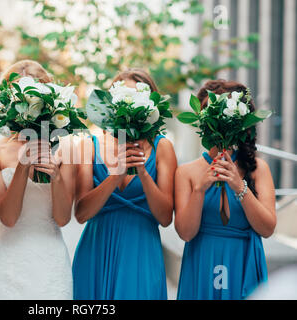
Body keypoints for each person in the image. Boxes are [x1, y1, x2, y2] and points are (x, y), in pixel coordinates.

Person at [72, 69, 177, 299]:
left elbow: (165, 218)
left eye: (137, 96)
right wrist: (115, 176)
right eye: (123, 97)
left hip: (142, 251)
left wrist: (143, 173)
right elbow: (81, 214)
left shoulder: (163, 148)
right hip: (96, 251)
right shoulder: (89, 146)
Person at [0, 60, 75, 299]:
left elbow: (63, 219)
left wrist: (56, 178)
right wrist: (22, 166)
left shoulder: (66, 149)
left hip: (51, 264)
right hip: (8, 266)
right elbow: (9, 218)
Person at [174, 79, 276, 300]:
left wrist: (240, 187)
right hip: (202, 261)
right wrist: (199, 190)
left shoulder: (259, 169)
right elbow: (185, 233)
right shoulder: (186, 172)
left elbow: (267, 229)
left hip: (242, 262)